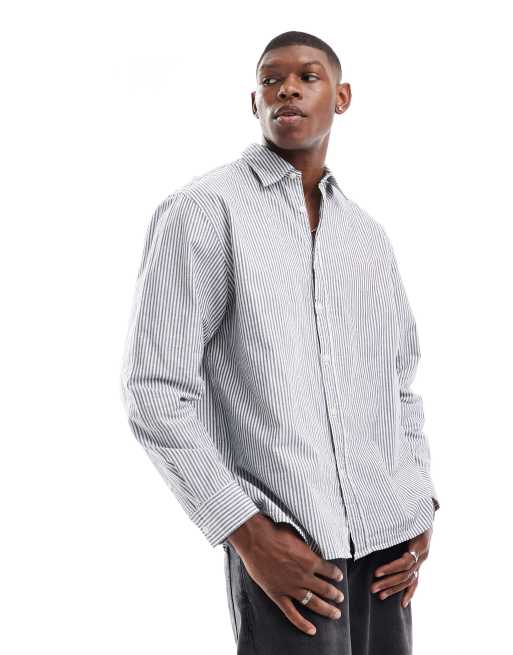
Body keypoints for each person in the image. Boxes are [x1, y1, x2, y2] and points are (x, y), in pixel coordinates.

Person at [120, 29, 440, 655]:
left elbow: (398, 389)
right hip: (290, 548)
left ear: (341, 97)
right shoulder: (204, 211)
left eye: (307, 76)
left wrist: (417, 508)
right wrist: (247, 534)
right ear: (255, 102)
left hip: (387, 553)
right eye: (271, 79)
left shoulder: (367, 237)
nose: (287, 89)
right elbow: (155, 392)